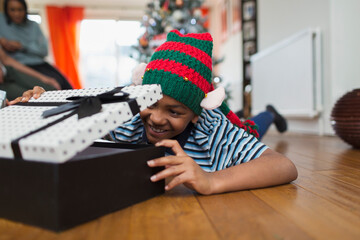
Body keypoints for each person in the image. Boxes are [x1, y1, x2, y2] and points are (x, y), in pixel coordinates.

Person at [9, 30, 298, 195]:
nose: (157, 118)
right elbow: (75, 121)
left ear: (195, 114)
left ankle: (269, 113)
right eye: (151, 103)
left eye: (174, 111)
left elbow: (284, 166)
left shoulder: (214, 129)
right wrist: (38, 104)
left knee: (252, 127)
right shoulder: (128, 115)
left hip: (233, 126)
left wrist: (212, 181)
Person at [0, 0, 73, 90]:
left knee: (67, 86)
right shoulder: (1, 21)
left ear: (25, 10)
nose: (17, 14)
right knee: (52, 88)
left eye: (20, 10)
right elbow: (6, 60)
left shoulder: (33, 25)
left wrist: (22, 46)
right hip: (20, 67)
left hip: (40, 65)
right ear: (6, 11)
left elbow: (44, 50)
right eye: (12, 10)